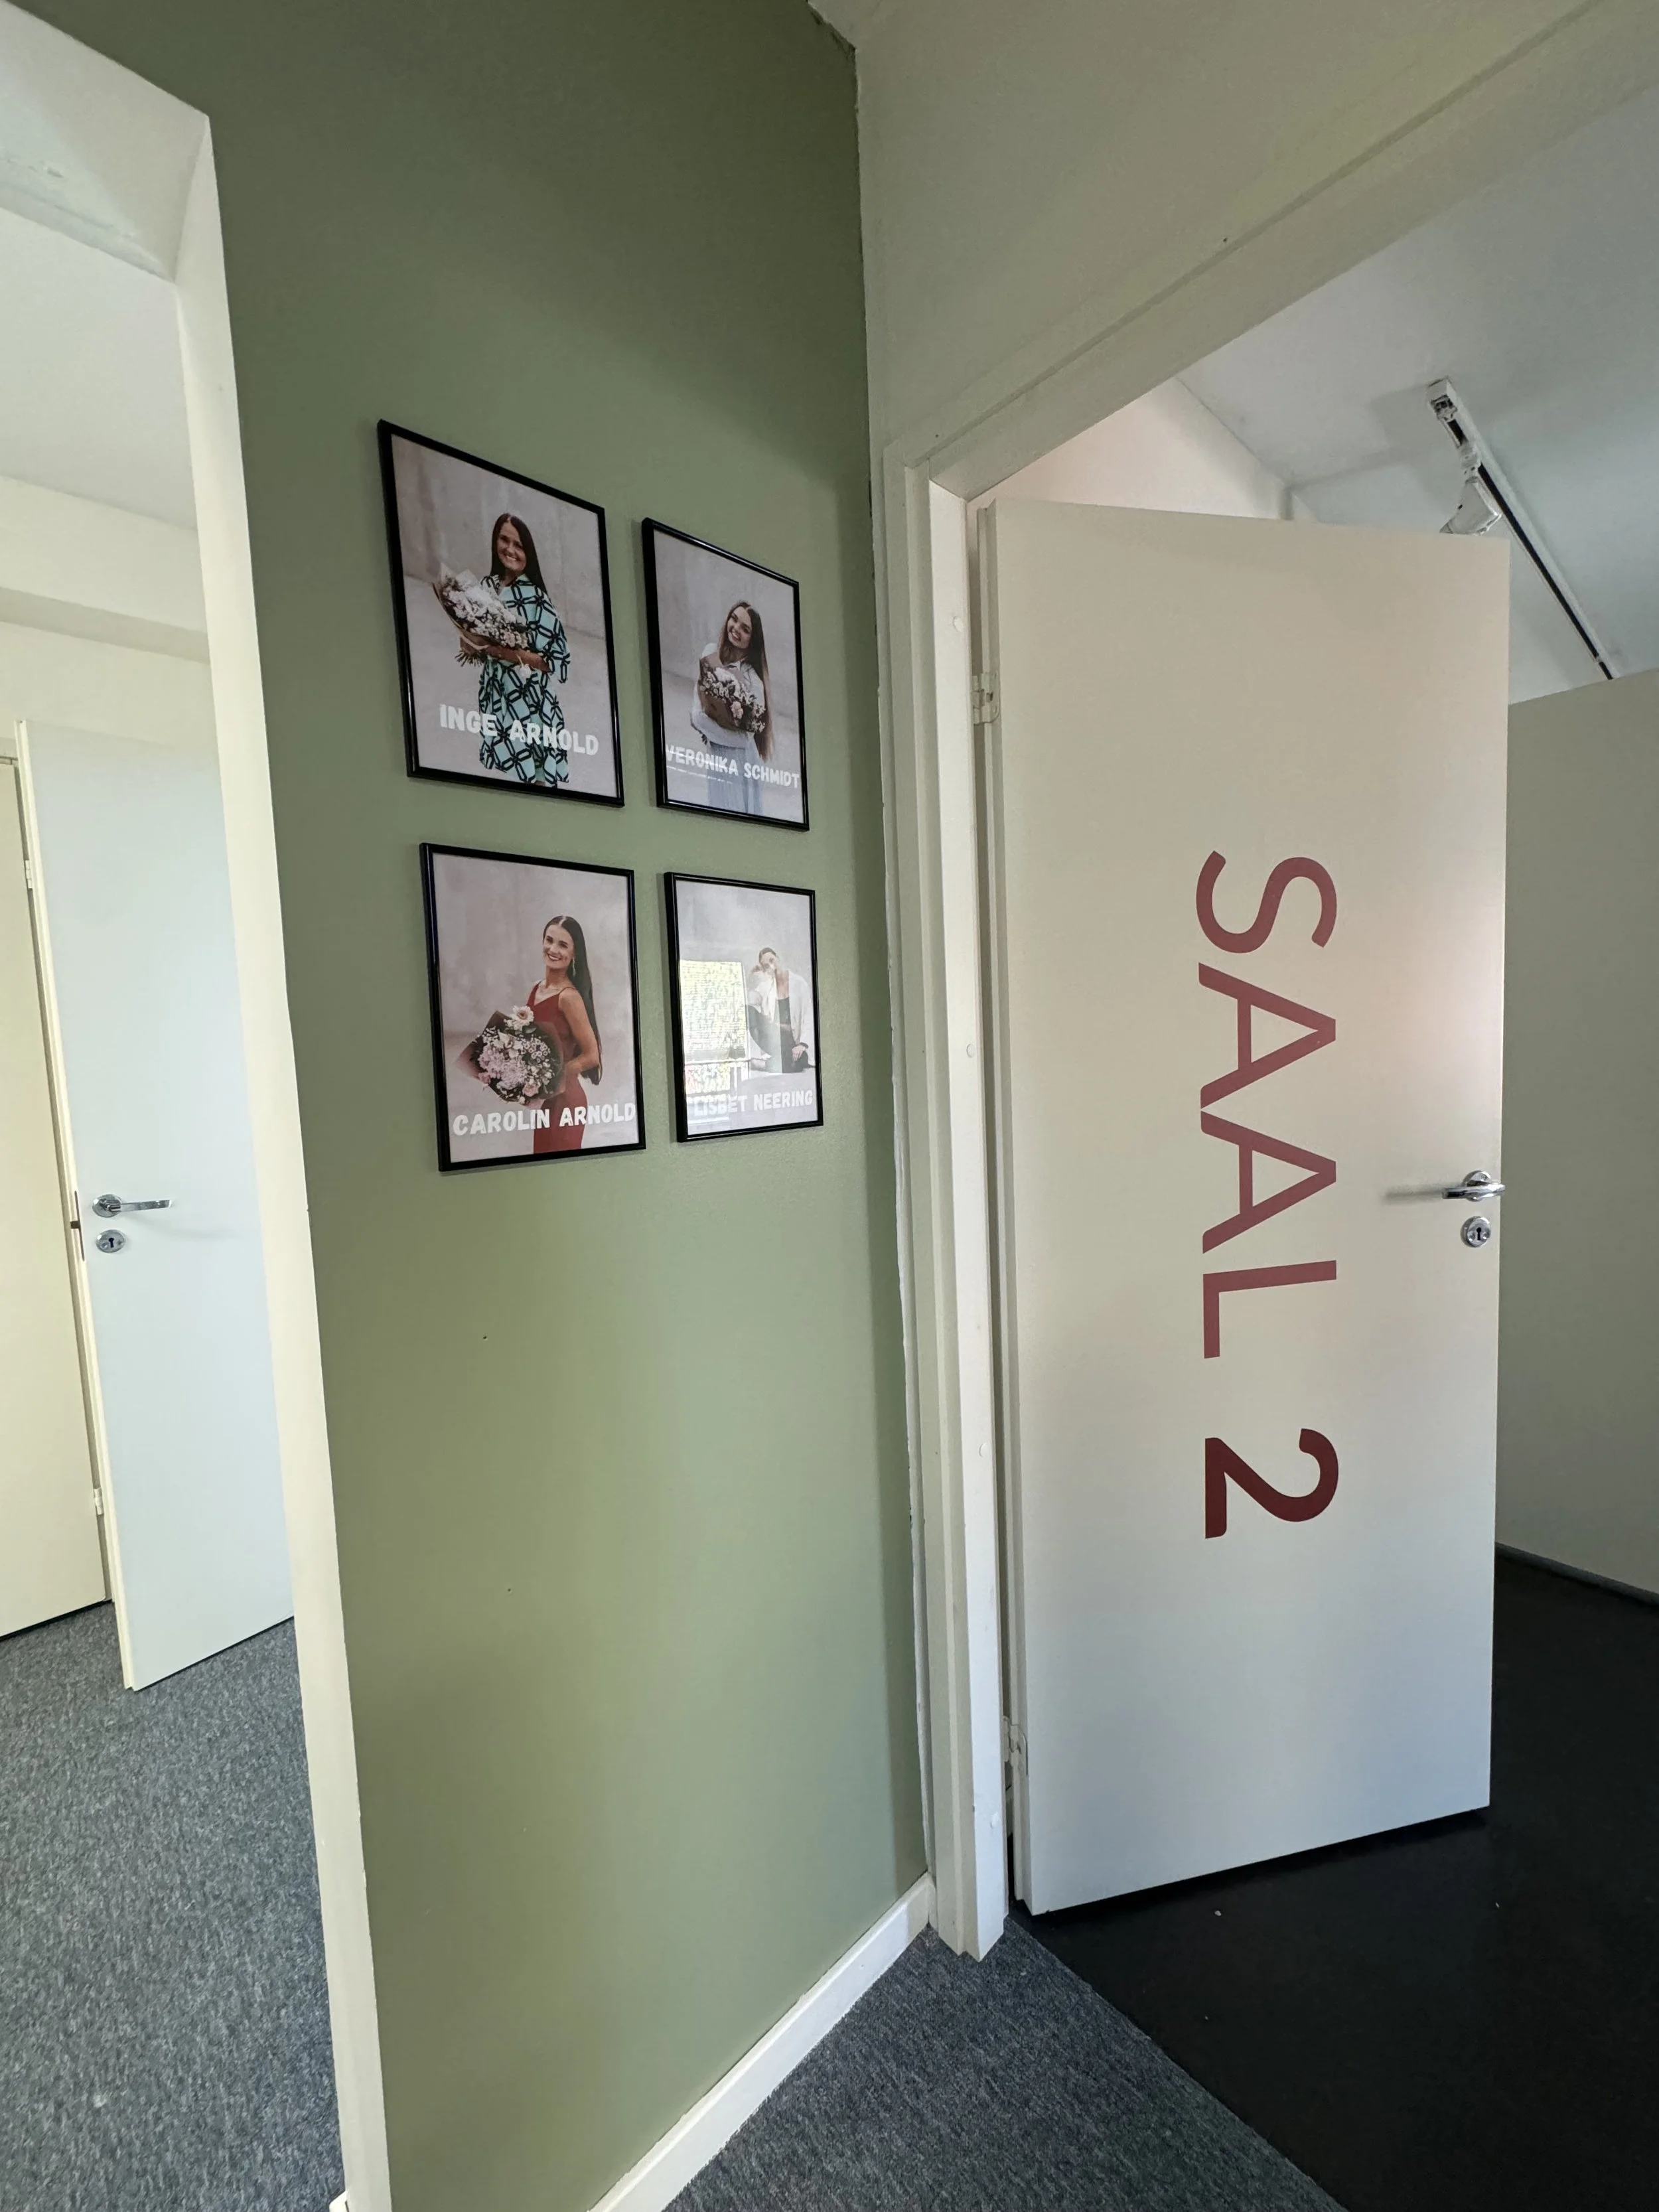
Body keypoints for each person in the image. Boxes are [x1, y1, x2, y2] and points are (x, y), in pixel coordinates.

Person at [445, 512, 572, 788]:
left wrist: (500, 651)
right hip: (495, 693)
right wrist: (469, 642)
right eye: (504, 540)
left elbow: (556, 661)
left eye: (519, 545)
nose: (510, 550)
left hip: (531, 700)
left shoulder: (538, 600)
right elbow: (476, 644)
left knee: (536, 776)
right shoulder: (485, 587)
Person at [489, 915, 603, 1154]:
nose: (553, 949)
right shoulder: (536, 989)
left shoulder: (569, 997)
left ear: (574, 954)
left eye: (562, 945)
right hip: (545, 1102)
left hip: (566, 1101)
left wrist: (550, 1077)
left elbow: (592, 1056)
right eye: (549, 940)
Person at [692, 600, 770, 817]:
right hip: (718, 760)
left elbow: (745, 740)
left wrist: (712, 729)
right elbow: (697, 717)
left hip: (743, 765)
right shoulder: (710, 654)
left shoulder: (754, 682)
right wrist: (719, 728)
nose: (736, 629)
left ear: (752, 641)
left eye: (745, 629)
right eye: (734, 619)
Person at [747, 947, 812, 1077]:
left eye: (772, 960)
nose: (772, 966)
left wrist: (802, 1045)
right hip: (775, 1040)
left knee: (797, 1061)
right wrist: (751, 976)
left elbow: (808, 1016)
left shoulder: (799, 984)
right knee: (747, 1010)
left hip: (794, 1044)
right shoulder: (766, 987)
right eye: (766, 965)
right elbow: (750, 1000)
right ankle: (776, 1060)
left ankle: (763, 1065)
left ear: (778, 958)